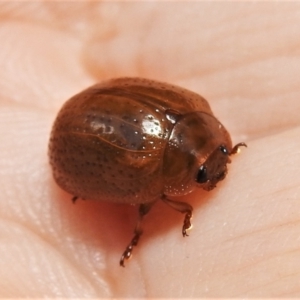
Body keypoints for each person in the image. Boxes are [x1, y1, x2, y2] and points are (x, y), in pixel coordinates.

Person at [1, 1, 299, 297]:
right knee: (149, 199)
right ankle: (137, 234)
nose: (219, 173)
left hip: (97, 104)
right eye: (206, 171)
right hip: (76, 133)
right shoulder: (169, 140)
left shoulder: (192, 104)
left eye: (223, 152)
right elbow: (157, 198)